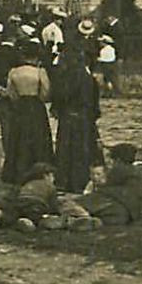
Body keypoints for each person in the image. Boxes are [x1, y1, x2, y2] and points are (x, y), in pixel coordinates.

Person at [0, 42, 55, 186]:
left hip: (20, 106)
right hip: (35, 105)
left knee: (18, 137)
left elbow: (11, 93)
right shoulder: (39, 72)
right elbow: (46, 92)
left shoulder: (14, 72)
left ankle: (17, 170)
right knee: (38, 137)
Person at [50, 42, 102, 193]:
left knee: (66, 150)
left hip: (68, 117)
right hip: (84, 118)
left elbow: (59, 98)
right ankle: (79, 181)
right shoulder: (89, 79)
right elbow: (95, 104)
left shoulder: (65, 78)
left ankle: (64, 180)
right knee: (81, 150)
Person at [13, 162, 98, 231]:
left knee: (30, 216)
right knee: (45, 219)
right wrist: (55, 212)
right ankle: (70, 222)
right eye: (52, 176)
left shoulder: (27, 184)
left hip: (21, 205)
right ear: (46, 176)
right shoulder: (48, 185)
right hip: (37, 205)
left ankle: (25, 221)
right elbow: (53, 203)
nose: (54, 179)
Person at [79, 143, 142, 225]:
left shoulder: (119, 169)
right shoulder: (133, 171)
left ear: (118, 160)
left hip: (120, 206)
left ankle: (81, 216)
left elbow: (107, 188)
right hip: (131, 212)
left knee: (73, 203)